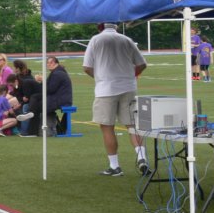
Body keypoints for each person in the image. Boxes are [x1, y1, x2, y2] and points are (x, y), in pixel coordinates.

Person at [83, 22, 148, 176]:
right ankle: (141, 157)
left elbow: (87, 67)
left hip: (105, 89)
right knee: (132, 125)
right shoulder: (126, 39)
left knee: (107, 127)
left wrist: (99, 78)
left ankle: (114, 166)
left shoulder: (95, 40)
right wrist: (130, 76)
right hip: (128, 87)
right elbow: (142, 64)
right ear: (116, 27)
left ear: (100, 27)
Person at [25, 56, 73, 137]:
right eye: (47, 63)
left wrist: (43, 80)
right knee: (35, 98)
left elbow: (50, 89)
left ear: (55, 63)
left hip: (60, 100)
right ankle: (31, 120)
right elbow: (49, 88)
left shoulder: (57, 73)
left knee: (37, 105)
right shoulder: (57, 72)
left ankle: (33, 129)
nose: (48, 64)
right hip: (58, 98)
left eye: (50, 63)